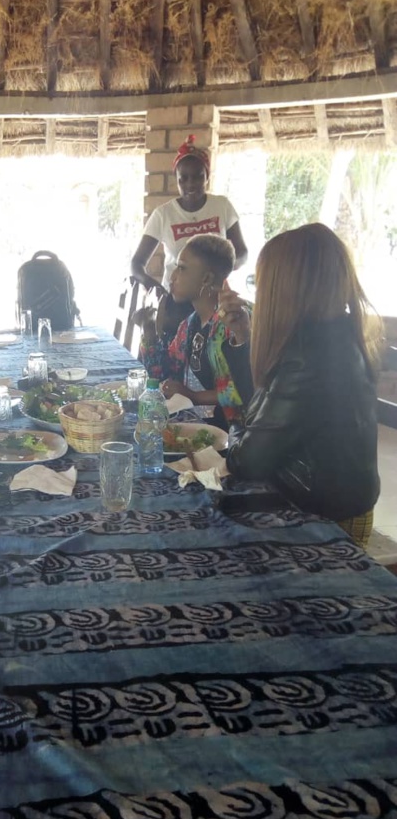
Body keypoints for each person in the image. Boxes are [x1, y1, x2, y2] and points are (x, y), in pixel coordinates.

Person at [225, 223, 381, 547]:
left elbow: (249, 462)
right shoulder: (331, 335)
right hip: (330, 501)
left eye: (263, 283)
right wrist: (243, 337)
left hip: (326, 520)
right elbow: (265, 409)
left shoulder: (310, 356)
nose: (259, 294)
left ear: (287, 289)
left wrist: (233, 433)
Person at [130, 134, 248, 333]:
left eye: (197, 176)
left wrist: (219, 269)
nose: (190, 184)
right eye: (183, 178)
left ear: (207, 176)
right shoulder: (164, 214)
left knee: (216, 345)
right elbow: (136, 265)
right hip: (177, 304)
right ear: (176, 179)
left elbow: (242, 252)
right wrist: (160, 292)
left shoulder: (222, 206)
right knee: (175, 349)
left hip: (214, 300)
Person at [140, 234, 252, 429]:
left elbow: (243, 390)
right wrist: (149, 332)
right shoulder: (189, 325)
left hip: (230, 434)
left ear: (206, 278)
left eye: (182, 268)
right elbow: (163, 375)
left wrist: (194, 396)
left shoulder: (233, 322)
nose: (172, 277)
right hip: (194, 426)